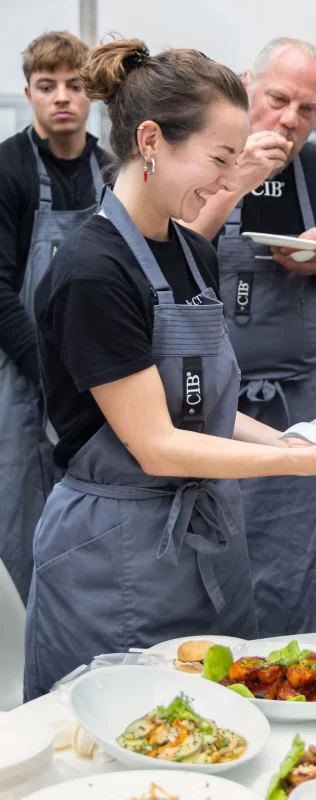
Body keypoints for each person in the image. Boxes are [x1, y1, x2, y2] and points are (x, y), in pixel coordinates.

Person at [24, 38, 316, 701]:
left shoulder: (187, 252)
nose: (230, 183)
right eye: (222, 159)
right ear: (151, 141)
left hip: (201, 548)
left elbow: (206, 410)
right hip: (118, 553)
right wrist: (302, 463)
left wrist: (301, 440)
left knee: (217, 726)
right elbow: (158, 444)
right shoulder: (92, 271)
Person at [187, 38, 316, 637]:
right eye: (279, 99)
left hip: (303, 399)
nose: (291, 120)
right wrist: (236, 180)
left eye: (308, 109)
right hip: (213, 401)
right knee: (217, 554)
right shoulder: (207, 164)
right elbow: (169, 261)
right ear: (246, 86)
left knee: (311, 561)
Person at [0, 31, 106, 603]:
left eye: (74, 84)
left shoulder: (110, 169)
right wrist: (47, 367)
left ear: (90, 93)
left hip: (95, 370)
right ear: (29, 94)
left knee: (91, 506)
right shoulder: (7, 168)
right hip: (22, 371)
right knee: (20, 510)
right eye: (47, 86)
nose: (61, 97)